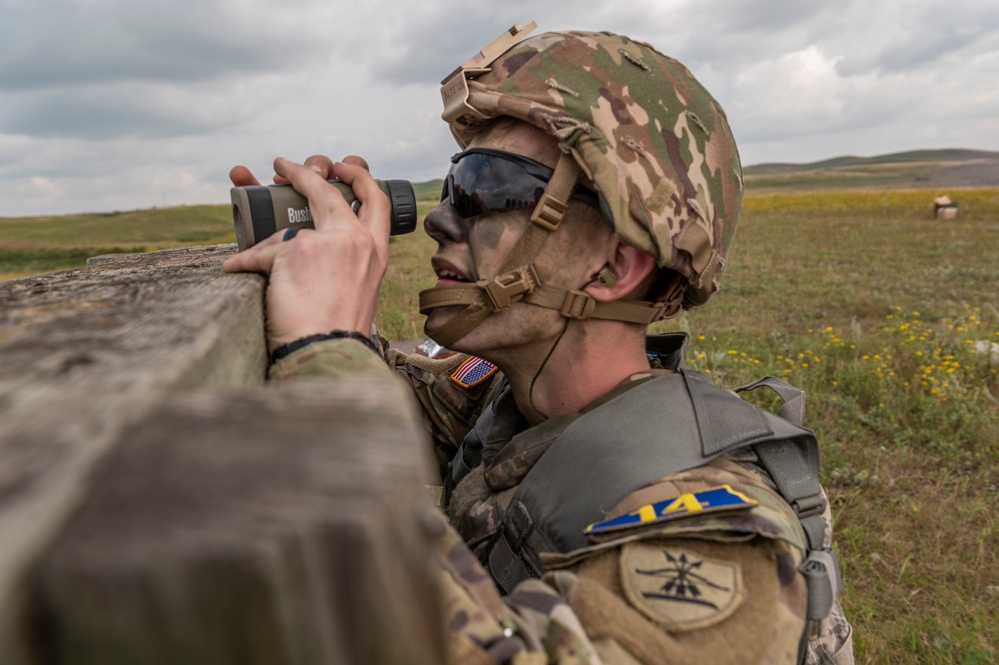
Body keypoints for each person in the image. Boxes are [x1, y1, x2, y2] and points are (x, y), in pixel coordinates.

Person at [223, 24, 854, 665]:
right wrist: (319, 295)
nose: (442, 218)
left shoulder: (719, 536)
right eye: (453, 183)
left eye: (488, 187)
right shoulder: (510, 394)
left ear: (614, 269)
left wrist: (328, 349)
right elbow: (402, 399)